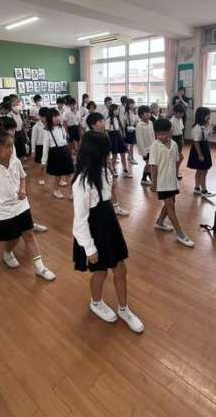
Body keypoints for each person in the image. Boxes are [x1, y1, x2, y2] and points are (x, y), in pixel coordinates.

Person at [72, 131, 143, 332]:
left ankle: (124, 309)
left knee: (121, 269)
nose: (110, 156)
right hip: (94, 229)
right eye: (106, 152)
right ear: (96, 153)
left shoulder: (104, 171)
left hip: (109, 224)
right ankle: (96, 303)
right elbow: (80, 220)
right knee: (100, 271)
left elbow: (107, 201)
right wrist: (89, 248)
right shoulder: (82, 182)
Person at [0, 130, 55, 279]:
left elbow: (22, 177)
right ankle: (7, 253)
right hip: (3, 210)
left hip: (21, 204)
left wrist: (22, 189)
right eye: (7, 146)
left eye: (12, 146)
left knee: (28, 234)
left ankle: (40, 268)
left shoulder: (15, 161)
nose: (11, 149)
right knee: (13, 238)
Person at [0, 115, 48, 233]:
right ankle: (17, 228)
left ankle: (29, 224)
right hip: (5, 182)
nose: (14, 132)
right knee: (11, 206)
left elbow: (15, 162)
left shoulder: (11, 142)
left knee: (23, 203)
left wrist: (20, 180)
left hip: (15, 179)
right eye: (12, 130)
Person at [149, 119, 194, 248]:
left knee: (171, 202)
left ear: (170, 132)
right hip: (162, 182)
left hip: (172, 180)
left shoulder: (174, 144)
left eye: (163, 133)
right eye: (158, 134)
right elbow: (153, 166)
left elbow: (175, 162)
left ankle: (159, 222)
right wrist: (154, 183)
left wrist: (178, 165)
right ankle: (180, 234)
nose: (160, 136)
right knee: (171, 207)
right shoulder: (155, 146)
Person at [86, 112, 129, 217]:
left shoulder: (105, 135)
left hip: (104, 167)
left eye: (103, 121)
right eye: (100, 121)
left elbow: (107, 154)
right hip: (93, 167)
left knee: (112, 186)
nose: (103, 123)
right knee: (95, 189)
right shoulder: (89, 137)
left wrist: (110, 168)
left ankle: (116, 208)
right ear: (93, 125)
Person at [42, 108, 74, 199]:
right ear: (49, 118)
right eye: (54, 116)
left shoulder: (62, 127)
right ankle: (56, 190)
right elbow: (45, 146)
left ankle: (71, 192)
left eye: (57, 116)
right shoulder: (47, 130)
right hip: (55, 153)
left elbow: (64, 140)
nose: (57, 118)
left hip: (65, 151)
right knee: (58, 175)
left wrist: (68, 152)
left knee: (69, 173)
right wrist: (43, 160)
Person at [187, 107, 216, 198]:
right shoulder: (197, 128)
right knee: (203, 170)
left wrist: (210, 131)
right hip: (200, 150)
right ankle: (204, 190)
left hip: (204, 148)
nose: (209, 117)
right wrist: (200, 154)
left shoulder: (204, 126)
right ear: (202, 116)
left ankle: (197, 188)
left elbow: (207, 136)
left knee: (200, 170)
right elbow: (196, 142)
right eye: (208, 115)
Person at [106, 104, 130, 178]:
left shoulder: (117, 118)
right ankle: (113, 169)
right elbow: (106, 131)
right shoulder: (108, 119)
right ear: (111, 110)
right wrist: (108, 140)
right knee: (114, 154)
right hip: (112, 137)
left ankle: (125, 169)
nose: (117, 111)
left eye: (117, 110)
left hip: (118, 136)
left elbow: (119, 128)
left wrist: (123, 134)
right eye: (115, 109)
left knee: (123, 153)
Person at [135, 105, 155, 186]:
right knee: (149, 164)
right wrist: (143, 152)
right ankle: (145, 179)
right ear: (141, 115)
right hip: (145, 149)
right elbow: (140, 140)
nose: (149, 114)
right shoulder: (139, 125)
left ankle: (147, 178)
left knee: (150, 164)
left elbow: (153, 135)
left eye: (149, 112)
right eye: (146, 113)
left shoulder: (151, 123)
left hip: (152, 147)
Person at [31, 106, 49, 185]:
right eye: (43, 117)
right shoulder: (36, 126)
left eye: (46, 117)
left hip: (49, 146)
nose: (45, 119)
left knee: (48, 162)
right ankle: (41, 177)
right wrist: (33, 151)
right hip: (40, 146)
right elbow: (33, 139)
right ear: (40, 116)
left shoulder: (50, 124)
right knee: (41, 163)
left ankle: (48, 174)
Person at [8, 95, 27, 160]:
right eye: (14, 105)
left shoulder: (20, 114)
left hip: (20, 132)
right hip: (14, 133)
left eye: (17, 104)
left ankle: (21, 159)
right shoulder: (9, 115)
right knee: (15, 150)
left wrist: (26, 135)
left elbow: (23, 125)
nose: (16, 106)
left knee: (22, 148)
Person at [169, 104, 185, 179]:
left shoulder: (180, 119)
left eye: (182, 113)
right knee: (178, 158)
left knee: (178, 158)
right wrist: (171, 144)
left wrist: (182, 140)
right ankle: (174, 173)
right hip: (174, 139)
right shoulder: (171, 121)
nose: (181, 115)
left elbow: (181, 131)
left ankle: (175, 172)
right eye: (179, 113)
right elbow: (170, 134)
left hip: (179, 139)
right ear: (174, 112)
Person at [122, 99, 138, 165]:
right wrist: (123, 132)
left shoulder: (134, 112)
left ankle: (130, 156)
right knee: (130, 144)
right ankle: (131, 157)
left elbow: (136, 121)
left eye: (133, 103)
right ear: (128, 105)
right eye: (130, 104)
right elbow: (124, 123)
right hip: (128, 129)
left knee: (132, 144)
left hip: (133, 128)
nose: (132, 105)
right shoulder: (127, 113)